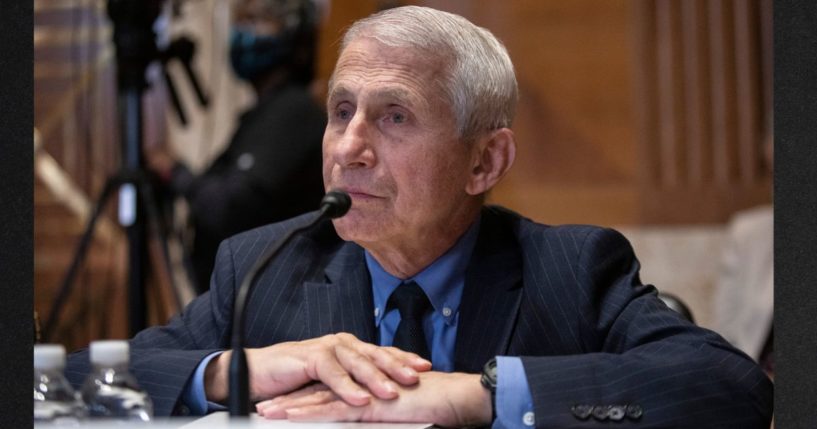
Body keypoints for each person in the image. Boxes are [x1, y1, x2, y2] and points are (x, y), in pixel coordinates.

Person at [67, 6, 773, 427]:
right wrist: (235, 370)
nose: (348, 148)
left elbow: (729, 388)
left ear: (484, 163)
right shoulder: (265, 265)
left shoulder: (570, 267)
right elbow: (82, 378)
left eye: (394, 117)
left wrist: (478, 396)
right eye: (340, 111)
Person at [148, 0, 326, 292]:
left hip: (273, 305)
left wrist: (175, 173)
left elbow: (232, 206)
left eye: (256, 22)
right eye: (241, 22)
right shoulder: (263, 113)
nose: (242, 33)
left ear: (294, 34)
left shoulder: (294, 111)